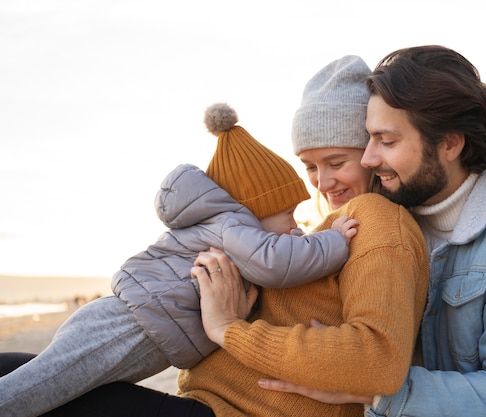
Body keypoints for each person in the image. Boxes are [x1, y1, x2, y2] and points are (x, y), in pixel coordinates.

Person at [0, 55, 430, 417]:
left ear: (372, 154)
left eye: (337, 161)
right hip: (208, 398)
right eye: (310, 167)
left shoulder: (376, 221)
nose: (323, 182)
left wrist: (227, 329)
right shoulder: (323, 229)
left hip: (233, 411)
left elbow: (376, 361)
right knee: (14, 368)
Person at [259, 45, 486, 417]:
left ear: (450, 143)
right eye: (369, 138)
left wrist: (372, 389)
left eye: (387, 142)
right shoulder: (385, 214)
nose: (369, 158)